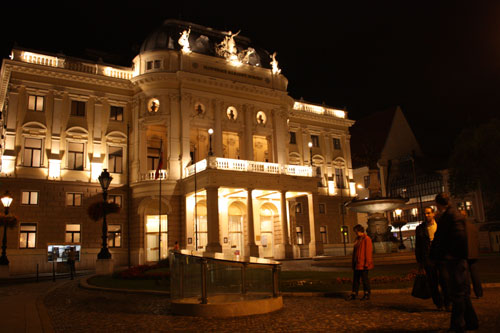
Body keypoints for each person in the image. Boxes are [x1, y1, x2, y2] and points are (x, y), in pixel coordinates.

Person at [430, 193, 478, 332]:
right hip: (454, 258)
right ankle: (472, 321)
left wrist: (451, 255)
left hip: (454, 260)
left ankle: (457, 325)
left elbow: (456, 238)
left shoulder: (452, 216)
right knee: (461, 292)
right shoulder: (449, 216)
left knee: (457, 293)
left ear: (438, 204)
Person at [415, 207, 449, 310]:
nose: (427, 215)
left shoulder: (440, 226)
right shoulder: (420, 228)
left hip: (440, 256)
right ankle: (438, 303)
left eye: (429, 213)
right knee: (432, 282)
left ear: (433, 214)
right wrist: (420, 262)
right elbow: (418, 246)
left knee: (445, 280)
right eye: (425, 213)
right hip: (428, 257)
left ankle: (447, 302)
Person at [346, 224, 374, 301]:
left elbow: (368, 252)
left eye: (356, 231)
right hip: (357, 263)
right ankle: (354, 293)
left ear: (359, 231)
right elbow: (355, 252)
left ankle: (367, 293)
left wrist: (367, 263)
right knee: (356, 279)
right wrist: (353, 263)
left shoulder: (366, 239)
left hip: (363, 263)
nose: (355, 233)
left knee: (365, 279)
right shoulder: (357, 239)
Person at [461, 210, 483, 299]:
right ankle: (479, 293)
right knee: (475, 274)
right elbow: (477, 241)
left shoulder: (461, 228)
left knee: (465, 275)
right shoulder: (472, 226)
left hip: (464, 254)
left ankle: (467, 292)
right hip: (473, 254)